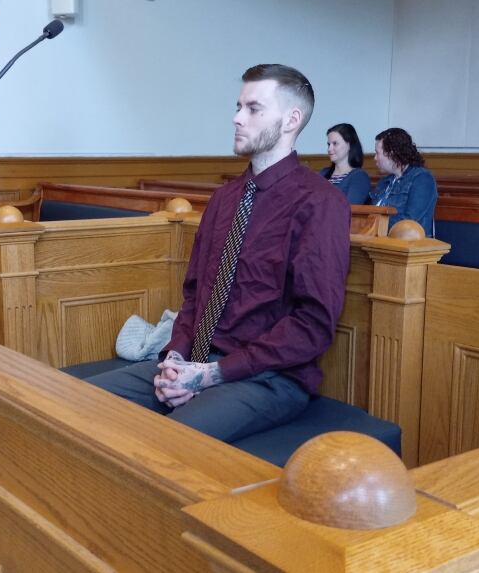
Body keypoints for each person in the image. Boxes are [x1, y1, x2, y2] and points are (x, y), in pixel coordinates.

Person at [87, 64, 351, 443]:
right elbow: (195, 293)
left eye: (253, 109)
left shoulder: (320, 203)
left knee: (165, 444)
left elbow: (312, 324)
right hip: (195, 360)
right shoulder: (225, 199)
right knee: (71, 400)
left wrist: (212, 374)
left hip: (268, 377)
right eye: (238, 106)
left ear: (292, 119)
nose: (237, 118)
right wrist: (174, 360)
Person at [369, 128, 437, 237]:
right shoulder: (384, 182)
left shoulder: (422, 179)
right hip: (378, 241)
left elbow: (409, 221)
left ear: (392, 153)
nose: (375, 158)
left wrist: (372, 225)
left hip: (410, 247)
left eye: (377, 153)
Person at [320, 123, 370, 204]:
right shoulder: (323, 173)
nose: (329, 149)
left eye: (335, 144)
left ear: (349, 145)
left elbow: (349, 208)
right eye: (328, 144)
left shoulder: (359, 177)